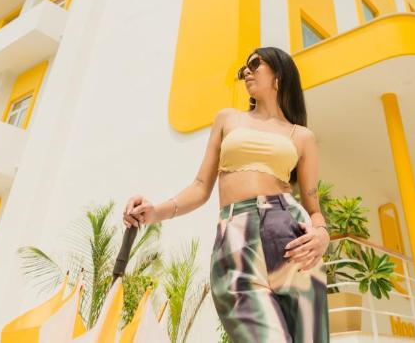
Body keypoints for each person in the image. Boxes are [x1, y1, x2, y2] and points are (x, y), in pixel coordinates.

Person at [122, 46, 331, 342]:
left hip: (291, 237)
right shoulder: (228, 119)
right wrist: (155, 212)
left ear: (279, 75)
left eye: (255, 64)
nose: (246, 71)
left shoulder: (302, 136)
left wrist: (322, 235)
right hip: (236, 235)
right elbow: (200, 186)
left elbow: (314, 207)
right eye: (243, 68)